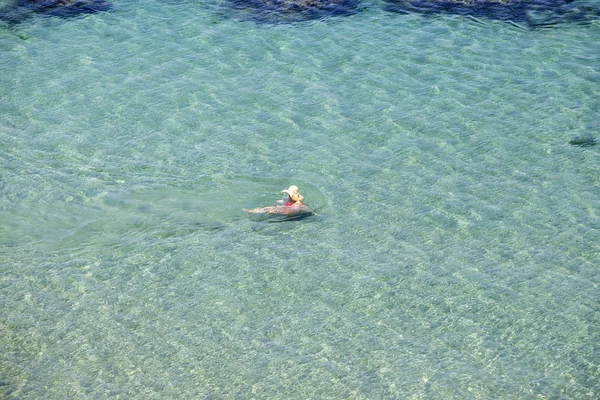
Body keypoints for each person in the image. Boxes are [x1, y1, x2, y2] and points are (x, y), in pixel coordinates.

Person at [243, 185, 316, 216]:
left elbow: (305, 208)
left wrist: (314, 214)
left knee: (271, 209)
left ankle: (251, 211)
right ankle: (253, 211)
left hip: (290, 211)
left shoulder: (298, 203)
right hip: (288, 209)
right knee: (270, 208)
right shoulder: (291, 200)